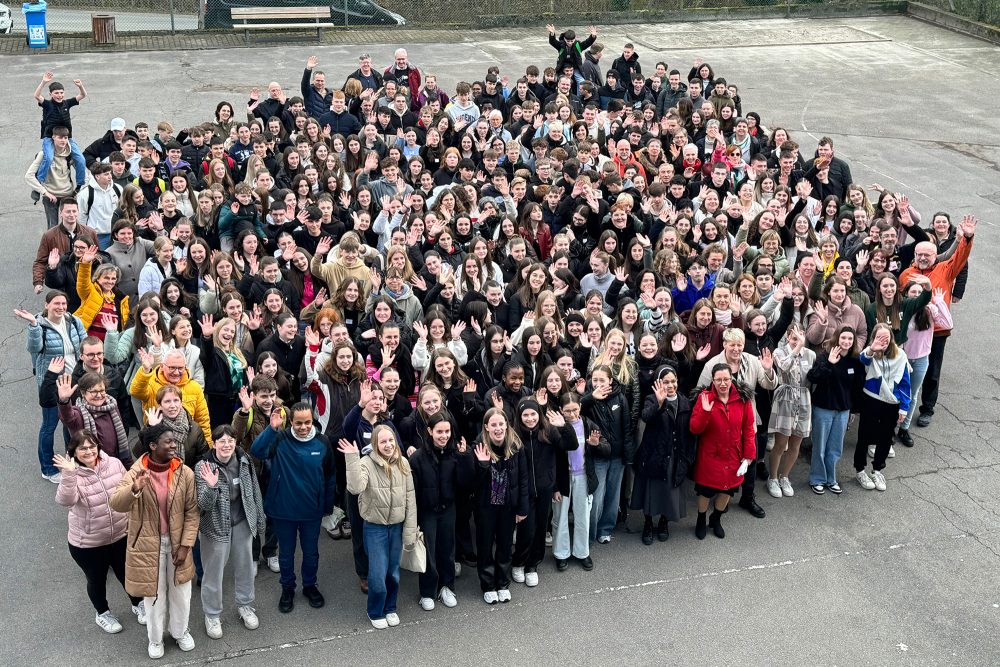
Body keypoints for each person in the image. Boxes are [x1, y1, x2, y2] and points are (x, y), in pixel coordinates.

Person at [110, 422, 199, 660]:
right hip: (148, 546)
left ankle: (180, 632)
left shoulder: (185, 473)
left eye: (174, 441)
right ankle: (156, 639)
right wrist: (134, 489)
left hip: (178, 542)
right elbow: (116, 503)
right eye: (168, 441)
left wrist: (186, 545)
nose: (174, 445)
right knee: (153, 596)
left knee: (181, 592)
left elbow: (192, 512)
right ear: (152, 446)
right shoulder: (136, 472)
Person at [54, 430, 145, 635]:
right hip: (88, 543)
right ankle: (102, 613)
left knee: (126, 573)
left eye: (91, 446)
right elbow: (65, 500)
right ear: (74, 452)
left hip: (120, 534)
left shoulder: (113, 463)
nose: (88, 451)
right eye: (82, 448)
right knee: (96, 579)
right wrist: (69, 474)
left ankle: (137, 603)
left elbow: (125, 490)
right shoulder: (71, 473)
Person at [251, 403, 335, 614]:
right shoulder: (280, 439)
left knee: (311, 553)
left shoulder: (322, 442)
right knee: (286, 554)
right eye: (298, 423)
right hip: (283, 509)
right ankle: (287, 588)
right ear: (291, 422)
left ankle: (309, 586)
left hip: (311, 511)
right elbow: (257, 451)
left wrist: (327, 506)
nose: (304, 427)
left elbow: (330, 475)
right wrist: (271, 428)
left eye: (307, 422)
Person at [898, 214, 976, 428]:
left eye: (928, 254)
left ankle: (927, 408)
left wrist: (966, 239)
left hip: (938, 330)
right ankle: (902, 405)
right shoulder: (906, 274)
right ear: (915, 255)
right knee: (908, 367)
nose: (923, 257)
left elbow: (960, 256)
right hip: (914, 331)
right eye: (920, 254)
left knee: (933, 369)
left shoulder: (945, 269)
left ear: (936, 256)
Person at [341, 425, 418, 629]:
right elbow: (355, 488)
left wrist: (409, 532)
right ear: (375, 444)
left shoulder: (403, 463)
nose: (388, 445)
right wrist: (352, 459)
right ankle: (375, 610)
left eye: (391, 440)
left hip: (396, 527)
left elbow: (410, 499)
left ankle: (390, 607)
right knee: (377, 573)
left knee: (393, 571)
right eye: (383, 441)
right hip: (374, 528)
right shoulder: (365, 463)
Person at [196, 424, 265, 640]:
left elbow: (254, 490)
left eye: (231, 441)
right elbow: (203, 505)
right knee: (213, 573)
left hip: (242, 522)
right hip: (215, 527)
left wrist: (260, 520)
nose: (227, 445)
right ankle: (212, 615)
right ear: (214, 444)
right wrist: (212, 486)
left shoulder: (244, 461)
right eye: (222, 441)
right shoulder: (202, 467)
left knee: (245, 567)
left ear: (235, 443)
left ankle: (245, 605)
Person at [15, 290, 86, 483]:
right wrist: (33, 325)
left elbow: (83, 343)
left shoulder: (73, 321)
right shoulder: (41, 325)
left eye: (63, 303)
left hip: (73, 381)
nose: (61, 307)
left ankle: (72, 462)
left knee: (71, 422)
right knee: (50, 425)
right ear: (47, 305)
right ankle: (47, 468)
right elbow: (34, 348)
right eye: (56, 303)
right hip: (51, 383)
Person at [408, 411, 476, 610]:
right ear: (430, 431)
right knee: (429, 552)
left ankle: (447, 587)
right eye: (439, 431)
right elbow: (413, 490)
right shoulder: (418, 458)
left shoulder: (456, 453)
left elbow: (466, 484)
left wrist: (464, 458)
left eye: (447, 431)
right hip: (427, 511)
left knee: (447, 551)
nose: (444, 436)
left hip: (448, 509)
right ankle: (427, 592)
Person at [690, 364, 756, 540]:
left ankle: (716, 518)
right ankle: (701, 518)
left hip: (733, 455)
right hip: (710, 455)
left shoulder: (742, 399)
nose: (723, 383)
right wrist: (704, 412)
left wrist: (748, 456)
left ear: (731, 378)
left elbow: (749, 428)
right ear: (713, 380)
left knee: (727, 491)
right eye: (718, 380)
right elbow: (694, 429)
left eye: (726, 379)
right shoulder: (705, 398)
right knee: (705, 491)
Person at [632, 365, 694, 544]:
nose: (671, 385)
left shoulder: (684, 402)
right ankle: (648, 523)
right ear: (659, 383)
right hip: (655, 454)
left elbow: (688, 431)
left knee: (669, 492)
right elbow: (646, 417)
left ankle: (664, 522)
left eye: (673, 381)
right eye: (666, 382)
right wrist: (659, 404)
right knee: (651, 492)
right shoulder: (652, 399)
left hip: (674, 455)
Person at [473, 407, 528, 605]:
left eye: (501, 424)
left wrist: (522, 508)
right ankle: (488, 585)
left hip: (507, 505)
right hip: (486, 507)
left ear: (506, 425)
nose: (498, 428)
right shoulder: (479, 447)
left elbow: (523, 479)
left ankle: (502, 583)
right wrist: (482, 465)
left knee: (505, 545)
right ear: (486, 427)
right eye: (493, 425)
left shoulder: (516, 446)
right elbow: (473, 484)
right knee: (485, 546)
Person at [853, 323, 910, 492]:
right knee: (864, 435)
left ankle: (877, 469)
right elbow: (863, 359)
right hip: (871, 399)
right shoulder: (869, 352)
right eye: (879, 337)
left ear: (892, 338)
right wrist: (873, 347)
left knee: (885, 438)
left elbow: (905, 383)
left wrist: (904, 408)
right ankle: (860, 470)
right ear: (874, 338)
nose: (883, 341)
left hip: (892, 402)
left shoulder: (901, 356)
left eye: (886, 337)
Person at [807, 326, 864, 494]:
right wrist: (830, 364)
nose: (846, 342)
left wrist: (853, 410)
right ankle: (817, 479)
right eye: (843, 338)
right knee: (820, 446)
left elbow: (857, 388)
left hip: (843, 410)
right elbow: (813, 377)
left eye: (850, 339)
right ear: (837, 338)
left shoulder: (855, 361)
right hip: (823, 408)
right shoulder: (825, 356)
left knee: (835, 447)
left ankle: (831, 479)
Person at [765, 323, 815, 498]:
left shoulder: (811, 354)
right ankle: (772, 478)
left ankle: (784, 476)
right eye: (794, 338)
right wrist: (797, 348)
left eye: (801, 338)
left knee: (796, 443)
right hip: (785, 395)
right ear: (788, 337)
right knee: (780, 443)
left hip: (803, 398)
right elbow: (784, 367)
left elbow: (813, 377)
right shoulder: (779, 352)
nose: (798, 342)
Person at [130, 348, 213, 445]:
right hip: (157, 442)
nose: (177, 372)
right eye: (172, 368)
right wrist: (146, 369)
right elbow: (136, 391)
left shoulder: (195, 387)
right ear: (161, 366)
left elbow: (203, 421)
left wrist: (207, 449)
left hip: (187, 444)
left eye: (180, 368)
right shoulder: (151, 383)